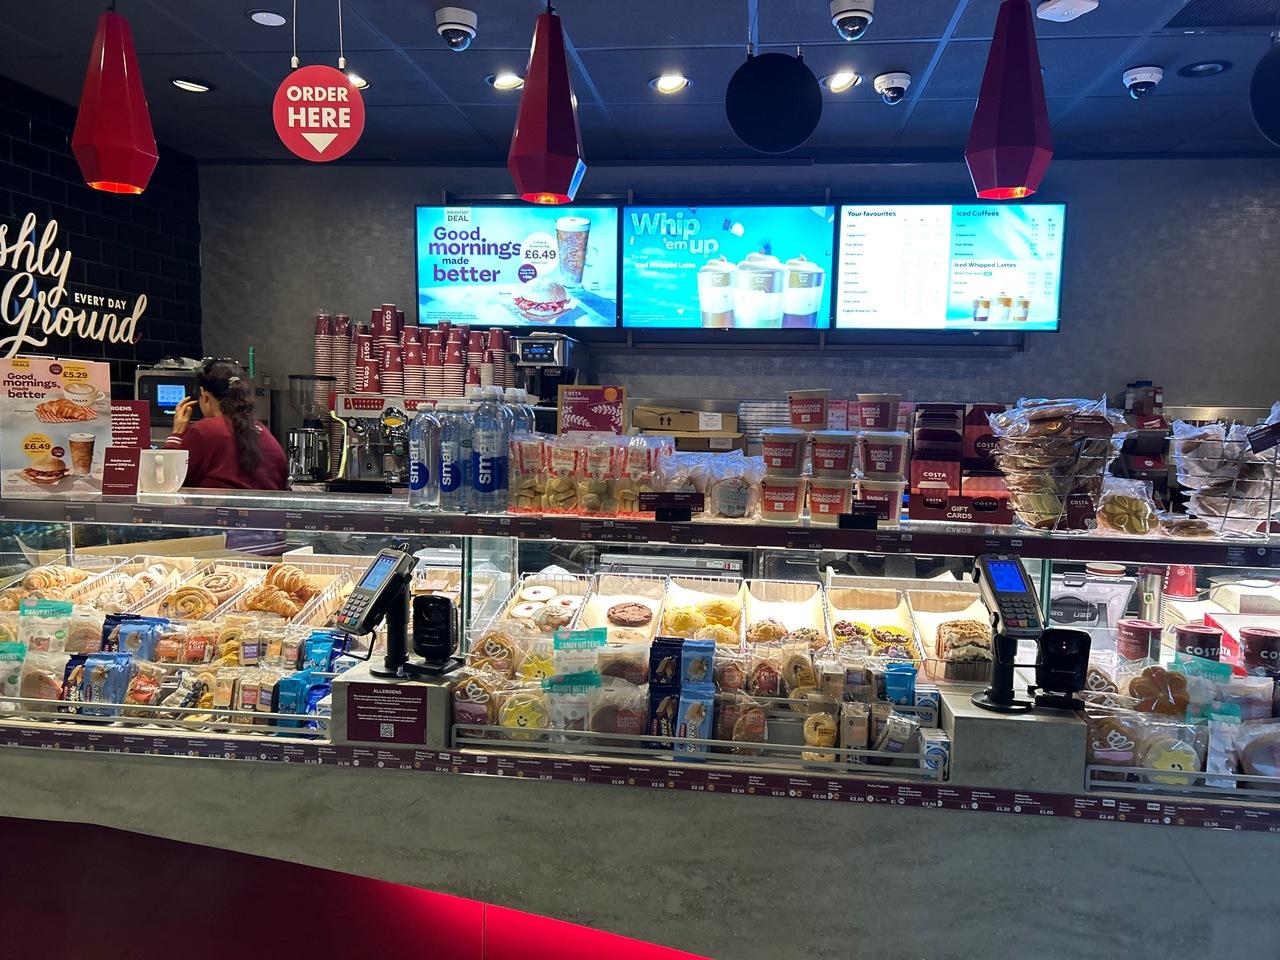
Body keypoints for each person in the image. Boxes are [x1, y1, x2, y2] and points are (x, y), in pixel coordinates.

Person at [165, 359, 288, 490]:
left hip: (215, 504)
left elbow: (167, 482)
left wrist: (176, 435)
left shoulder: (204, 431)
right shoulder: (264, 432)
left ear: (204, 395)